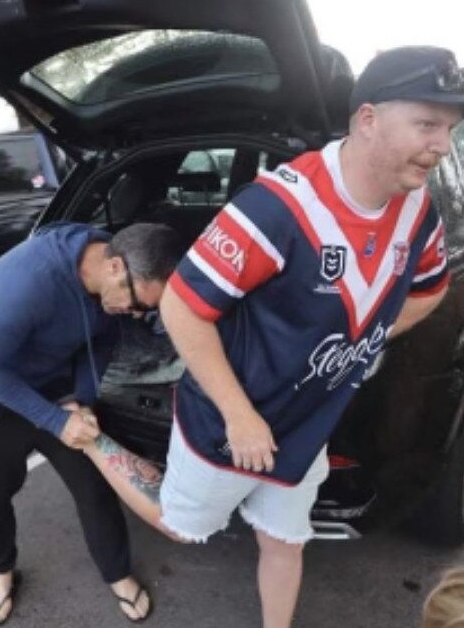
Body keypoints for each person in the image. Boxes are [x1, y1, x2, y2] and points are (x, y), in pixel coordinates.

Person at [82, 46, 464, 628]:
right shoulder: (280, 207)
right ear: (368, 119)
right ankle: (90, 443)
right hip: (228, 424)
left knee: (286, 540)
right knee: (180, 526)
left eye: (451, 128)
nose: (442, 144)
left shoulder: (418, 213)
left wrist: (365, 339)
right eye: (427, 124)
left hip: (304, 424)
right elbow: (183, 306)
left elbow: (431, 289)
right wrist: (240, 417)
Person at [0, 221, 181, 625]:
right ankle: (2, 571)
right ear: (114, 267)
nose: (135, 314)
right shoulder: (29, 279)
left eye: (147, 309)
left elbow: (102, 343)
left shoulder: (111, 283)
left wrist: (83, 402)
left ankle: (118, 573)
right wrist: (55, 421)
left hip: (57, 385)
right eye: (137, 304)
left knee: (94, 485)